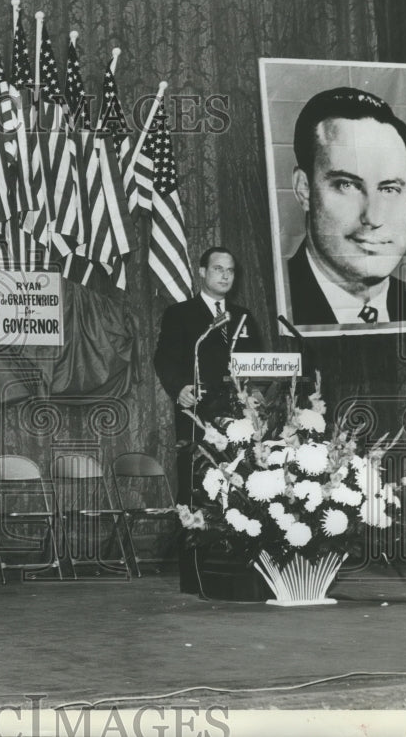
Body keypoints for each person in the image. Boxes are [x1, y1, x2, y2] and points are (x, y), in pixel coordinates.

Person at [287, 86, 406, 327]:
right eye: (346, 185)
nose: (373, 217)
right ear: (304, 189)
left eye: (389, 189)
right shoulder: (271, 302)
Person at [153, 247, 262, 594]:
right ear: (202, 272)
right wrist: (178, 388)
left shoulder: (244, 317)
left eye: (230, 270)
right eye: (218, 269)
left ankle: (240, 571)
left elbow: (259, 361)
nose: (225, 276)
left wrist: (256, 392)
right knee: (197, 488)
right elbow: (164, 358)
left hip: (238, 418)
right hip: (197, 415)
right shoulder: (181, 314)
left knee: (242, 488)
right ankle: (196, 575)